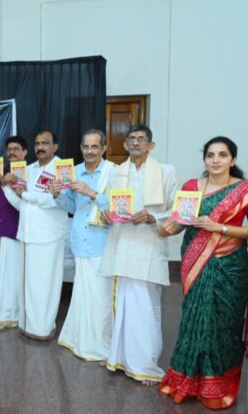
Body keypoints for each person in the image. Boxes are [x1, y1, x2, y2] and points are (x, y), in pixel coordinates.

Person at [158, 136, 248, 409]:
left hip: (230, 266)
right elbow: (181, 221)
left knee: (224, 324)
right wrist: (170, 228)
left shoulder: (247, 191)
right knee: (194, 319)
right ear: (204, 159)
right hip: (195, 261)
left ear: (233, 159)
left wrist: (219, 227)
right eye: (210, 155)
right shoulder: (191, 187)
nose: (216, 160)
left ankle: (217, 383)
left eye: (222, 155)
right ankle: (186, 379)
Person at [98, 124, 178, 385]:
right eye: (131, 138)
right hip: (122, 244)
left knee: (146, 305)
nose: (135, 142)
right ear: (125, 144)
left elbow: (177, 210)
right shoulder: (116, 172)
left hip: (148, 245)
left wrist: (153, 216)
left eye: (141, 139)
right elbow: (109, 206)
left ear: (151, 145)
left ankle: (146, 364)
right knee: (122, 304)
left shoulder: (166, 172)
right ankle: (119, 357)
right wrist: (106, 215)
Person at [51, 129, 115, 360]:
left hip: (103, 242)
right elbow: (71, 207)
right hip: (80, 240)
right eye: (86, 146)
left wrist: (91, 192)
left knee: (101, 298)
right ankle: (82, 339)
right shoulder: (73, 172)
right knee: (83, 295)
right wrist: (57, 195)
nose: (89, 151)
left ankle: (102, 344)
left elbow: (119, 208)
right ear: (80, 148)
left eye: (94, 146)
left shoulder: (113, 172)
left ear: (103, 148)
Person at [3, 130, 67, 339]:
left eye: (45, 143)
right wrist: (7, 188)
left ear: (55, 146)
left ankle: (42, 328)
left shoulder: (61, 168)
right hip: (27, 235)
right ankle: (28, 325)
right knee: (27, 284)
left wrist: (25, 194)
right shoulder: (28, 170)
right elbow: (22, 204)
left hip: (48, 236)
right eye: (37, 143)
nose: (40, 147)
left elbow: (54, 201)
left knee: (44, 284)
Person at [0, 135, 28, 328]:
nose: (11, 152)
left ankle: (15, 315)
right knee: (2, 275)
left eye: (16, 149)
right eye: (9, 149)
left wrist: (8, 186)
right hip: (2, 228)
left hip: (19, 231)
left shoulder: (29, 173)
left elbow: (24, 204)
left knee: (15, 275)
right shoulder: (0, 172)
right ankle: (2, 314)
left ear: (24, 152)